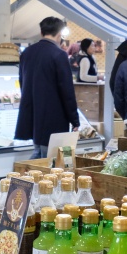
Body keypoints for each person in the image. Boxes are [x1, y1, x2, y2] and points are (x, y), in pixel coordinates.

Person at [14, 17, 79, 159]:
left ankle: (29, 179)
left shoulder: (27, 53)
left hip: (33, 115)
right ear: (60, 33)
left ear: (41, 31)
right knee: (51, 160)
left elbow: (22, 82)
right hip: (53, 116)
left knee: (38, 153)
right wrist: (74, 119)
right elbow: (66, 90)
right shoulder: (59, 55)